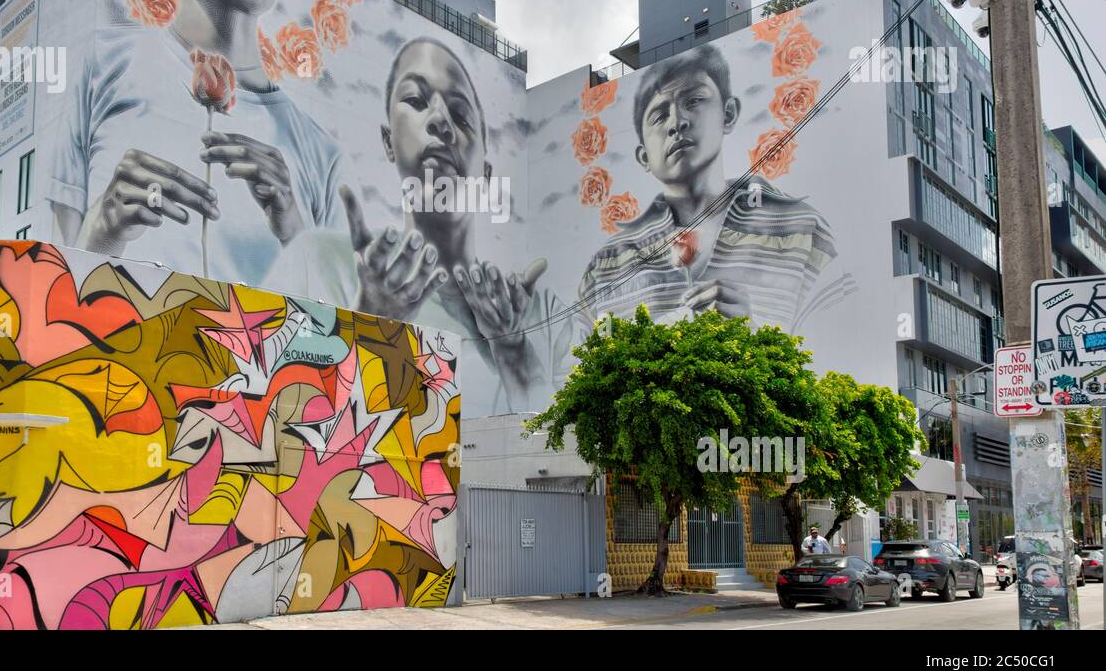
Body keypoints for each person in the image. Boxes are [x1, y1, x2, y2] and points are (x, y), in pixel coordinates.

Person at [49, 0, 342, 283]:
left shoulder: (318, 151)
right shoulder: (105, 65)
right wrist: (102, 231)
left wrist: (293, 229)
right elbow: (58, 286)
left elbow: (338, 330)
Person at [266, 37, 572, 409]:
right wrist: (372, 321)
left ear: (486, 173)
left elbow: (565, 453)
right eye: (416, 100)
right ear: (388, 141)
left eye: (460, 116)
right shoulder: (316, 262)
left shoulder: (546, 314)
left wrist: (512, 349)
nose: (440, 120)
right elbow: (270, 420)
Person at [576, 44, 847, 332]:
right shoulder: (608, 263)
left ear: (728, 114)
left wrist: (754, 336)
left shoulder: (804, 229)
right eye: (659, 115)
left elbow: (846, 334)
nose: (677, 123)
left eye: (693, 101)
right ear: (644, 156)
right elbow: (572, 368)